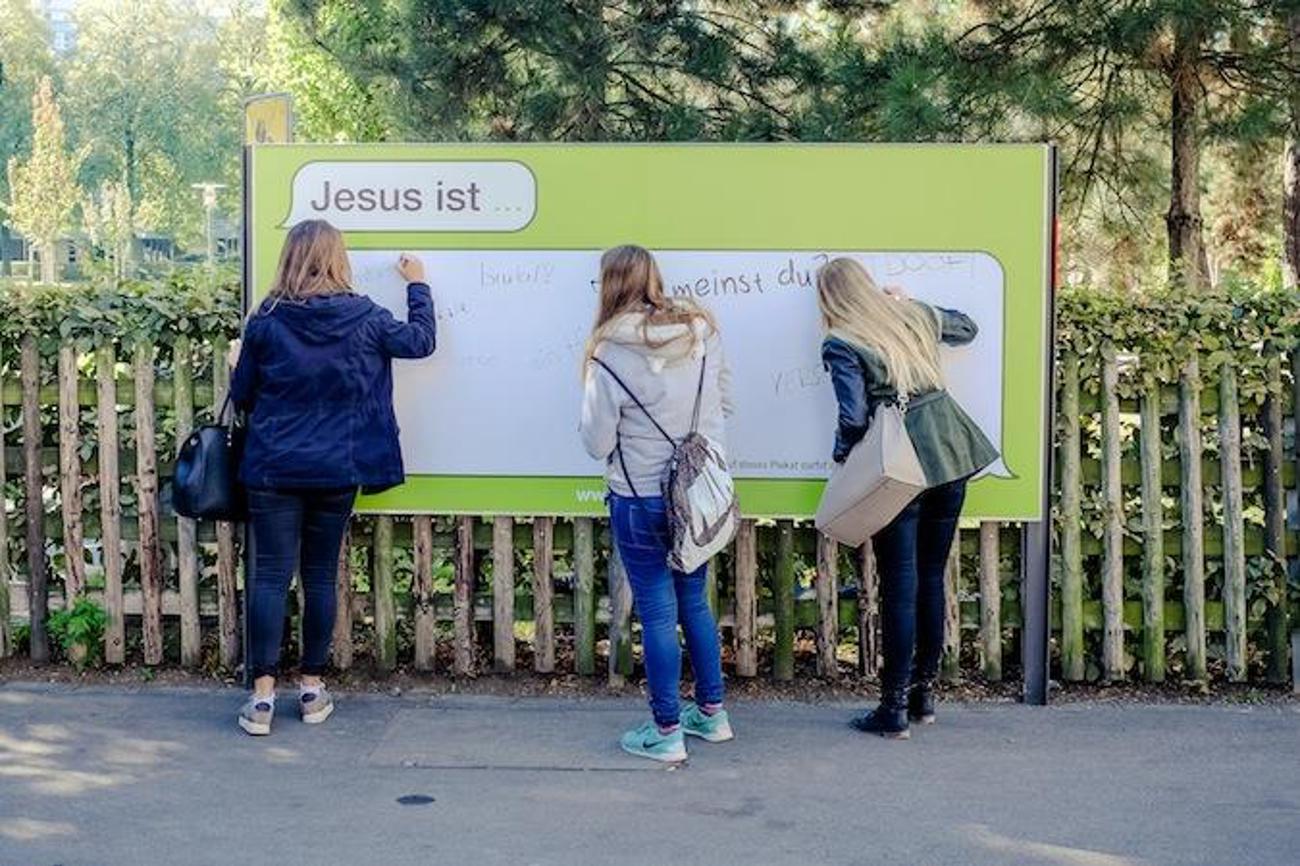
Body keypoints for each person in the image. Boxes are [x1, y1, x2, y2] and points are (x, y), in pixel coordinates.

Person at [230, 219, 436, 736]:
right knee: (319, 576)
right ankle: (313, 688)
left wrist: (242, 364)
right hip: (336, 469)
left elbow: (245, 394)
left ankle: (260, 700)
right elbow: (420, 342)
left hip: (273, 469)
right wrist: (418, 284)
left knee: (270, 578)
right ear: (338, 258)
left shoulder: (268, 320)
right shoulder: (364, 316)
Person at [817, 257, 997, 739]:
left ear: (829, 299)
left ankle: (892, 708)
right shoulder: (911, 316)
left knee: (900, 581)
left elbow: (853, 418)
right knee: (931, 576)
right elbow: (967, 328)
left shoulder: (841, 341)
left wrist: (842, 459)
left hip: (900, 464)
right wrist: (910, 302)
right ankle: (923, 698)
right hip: (950, 450)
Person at [579, 244, 735, 763]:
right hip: (696, 497)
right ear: (654, 277)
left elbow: (597, 442)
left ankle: (666, 730)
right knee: (694, 601)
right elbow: (724, 401)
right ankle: (712, 715)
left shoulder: (608, 350)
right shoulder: (701, 333)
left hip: (640, 497)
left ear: (608, 284)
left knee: (657, 609)